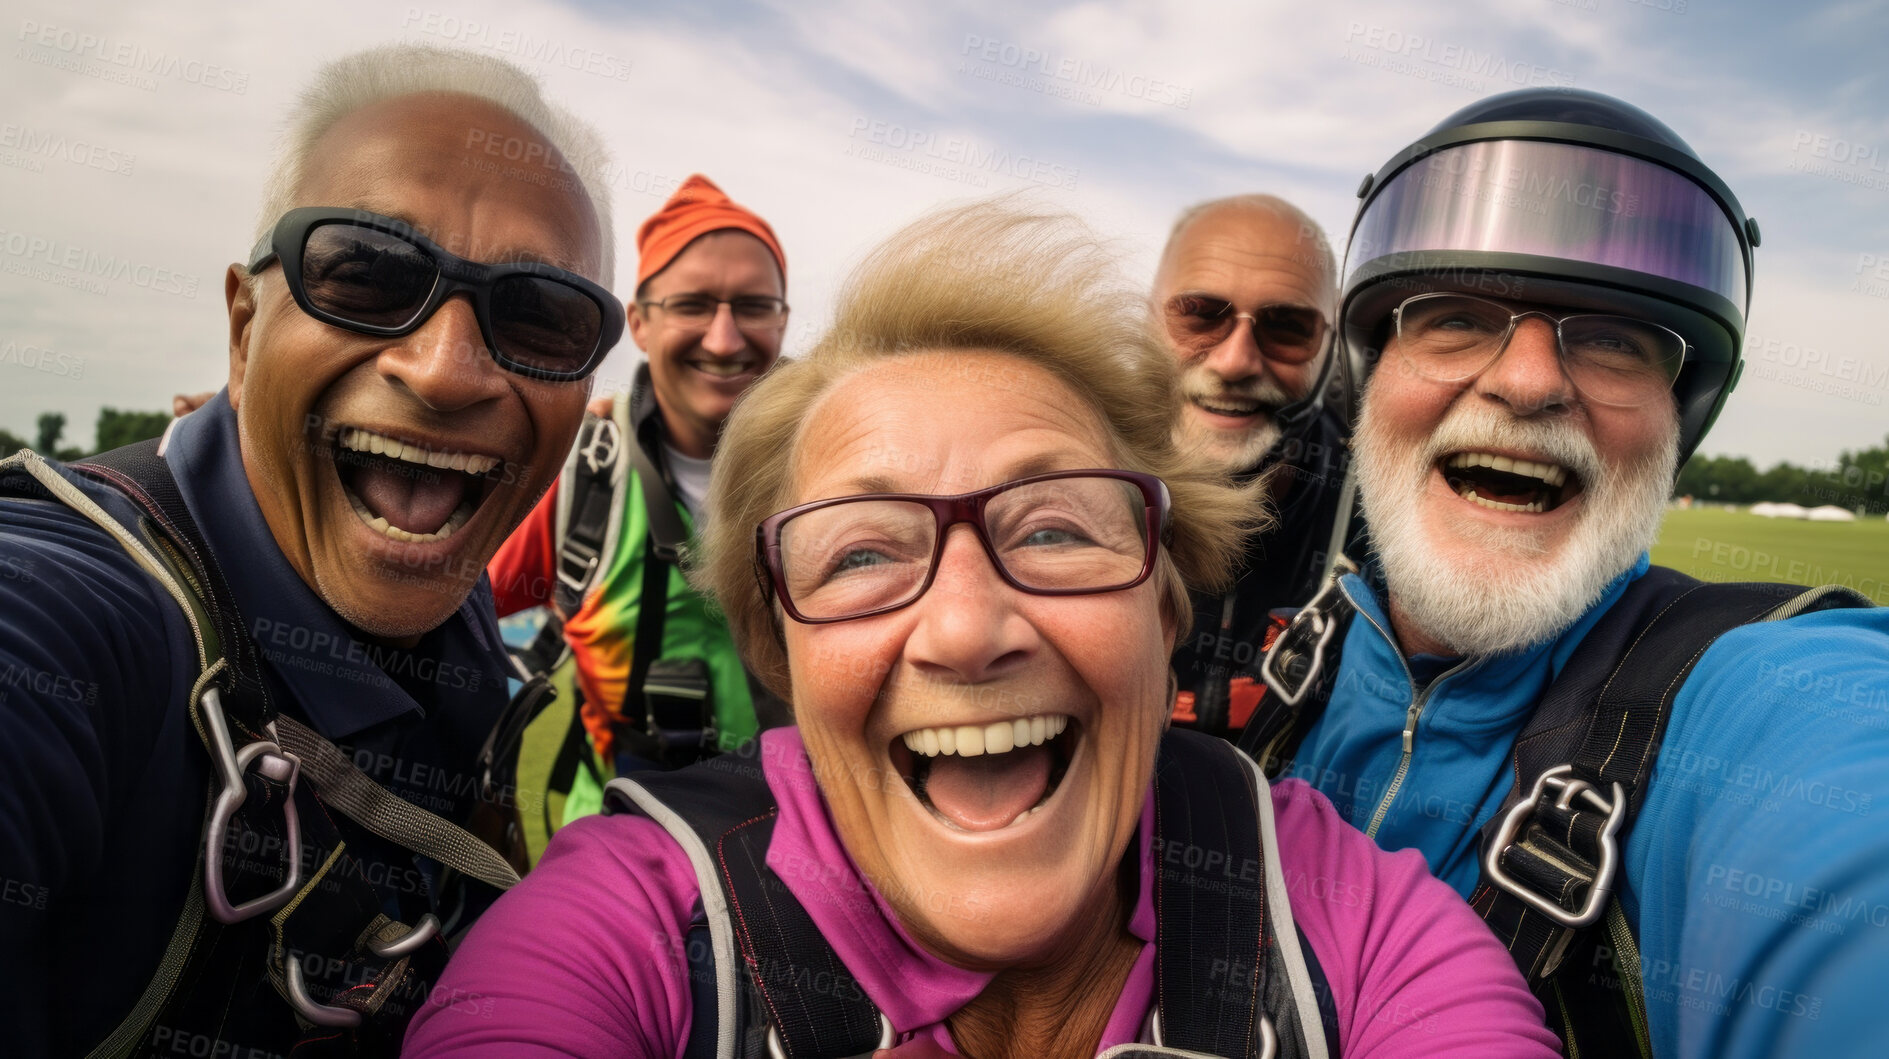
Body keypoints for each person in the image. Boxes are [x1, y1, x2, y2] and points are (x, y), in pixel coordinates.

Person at [405, 203, 1563, 1058]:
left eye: (1057, 530)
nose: (964, 628)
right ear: (781, 644)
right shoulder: (635, 919)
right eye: (858, 553)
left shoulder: (1352, 932)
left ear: (1167, 601)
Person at [1243, 87, 1889, 1057]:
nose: (1529, 382)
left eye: (1614, 339)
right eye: (1454, 317)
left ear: (1679, 423)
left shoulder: (1761, 698)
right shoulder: (1309, 651)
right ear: (1362, 377)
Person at [0, 45, 620, 1056]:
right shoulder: (64, 621)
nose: (446, 370)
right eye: (366, 274)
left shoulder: (448, 595)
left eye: (541, 316)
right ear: (243, 331)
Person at [487, 174, 790, 830]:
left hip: (814, 856)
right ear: (641, 324)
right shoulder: (579, 466)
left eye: (754, 306)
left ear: (783, 320)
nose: (724, 338)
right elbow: (442, 613)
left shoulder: (845, 466)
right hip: (622, 850)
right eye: (693, 305)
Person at [1151, 196, 1359, 741]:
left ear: (1330, 353)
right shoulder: (1064, 482)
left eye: (1288, 327)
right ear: (1146, 319)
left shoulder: (1387, 522)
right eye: (1198, 314)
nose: (1235, 361)